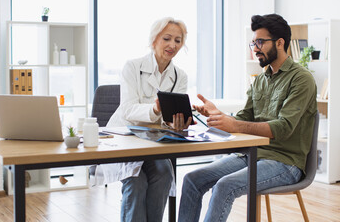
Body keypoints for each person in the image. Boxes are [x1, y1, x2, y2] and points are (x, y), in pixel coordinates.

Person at [178, 13, 317, 222]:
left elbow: (282, 128)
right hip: (251, 155)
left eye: (260, 42)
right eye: (253, 43)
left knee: (225, 185)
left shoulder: (301, 79)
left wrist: (234, 123)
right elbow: (243, 119)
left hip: (285, 161)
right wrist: (218, 114)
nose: (255, 48)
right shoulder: (260, 79)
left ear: (280, 43)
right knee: (192, 179)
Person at [95, 17, 192, 222]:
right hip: (124, 137)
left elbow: (169, 120)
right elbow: (128, 110)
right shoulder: (132, 67)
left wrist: (177, 123)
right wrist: (156, 108)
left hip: (153, 140)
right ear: (154, 40)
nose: (172, 45)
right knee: (136, 182)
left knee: (164, 173)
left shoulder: (179, 76)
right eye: (167, 38)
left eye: (177, 40)